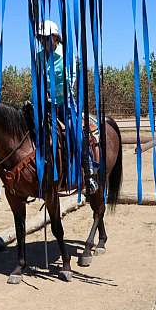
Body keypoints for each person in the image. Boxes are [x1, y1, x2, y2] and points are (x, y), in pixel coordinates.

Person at [35, 20, 98, 193]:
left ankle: (89, 172)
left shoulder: (66, 55)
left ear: (55, 38)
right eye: (41, 39)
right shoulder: (39, 58)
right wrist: (43, 94)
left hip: (65, 102)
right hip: (46, 103)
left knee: (73, 129)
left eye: (47, 39)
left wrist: (59, 93)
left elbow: (71, 77)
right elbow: (39, 78)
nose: (44, 42)